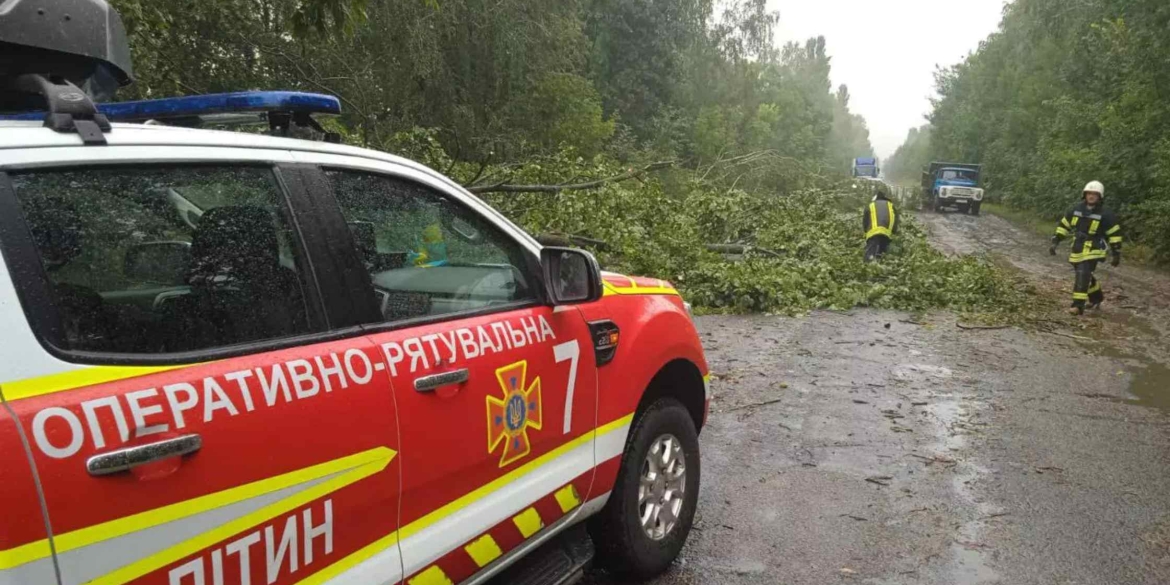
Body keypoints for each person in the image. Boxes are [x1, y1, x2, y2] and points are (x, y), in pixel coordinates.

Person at [1049, 180, 1123, 315]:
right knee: (1084, 274)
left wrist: (1116, 253)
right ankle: (1097, 298)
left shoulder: (1106, 214)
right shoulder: (1076, 210)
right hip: (1077, 247)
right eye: (1089, 193)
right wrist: (1056, 241)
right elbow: (1064, 226)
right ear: (1085, 194)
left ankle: (1078, 306)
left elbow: (1115, 235)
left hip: (1094, 249)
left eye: (1095, 194)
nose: (1091, 196)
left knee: (1082, 274)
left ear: (1100, 196)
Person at [863, 184, 898, 262]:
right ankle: (881, 265)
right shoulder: (891, 205)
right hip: (886, 233)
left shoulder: (871, 205)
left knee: (870, 254)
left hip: (873, 232)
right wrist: (894, 232)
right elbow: (896, 220)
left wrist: (865, 231)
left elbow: (865, 220)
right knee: (882, 253)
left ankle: (868, 267)